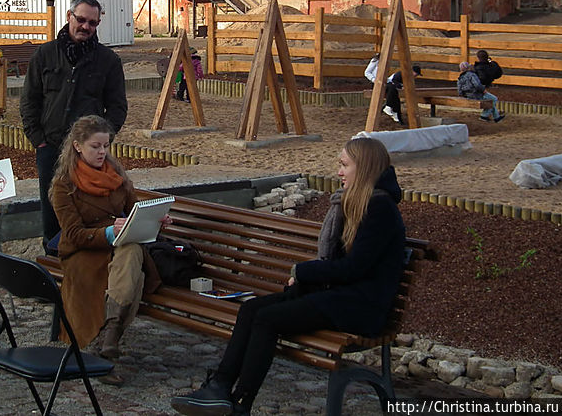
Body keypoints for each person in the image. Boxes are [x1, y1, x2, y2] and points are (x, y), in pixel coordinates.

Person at [171, 137, 405, 416]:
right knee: (250, 309)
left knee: (268, 320)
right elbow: (343, 268)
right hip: (340, 297)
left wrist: (303, 271)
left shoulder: (380, 208)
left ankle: (241, 404)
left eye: (344, 165)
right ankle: (219, 388)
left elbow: (354, 269)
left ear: (364, 168)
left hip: (361, 307)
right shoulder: (358, 202)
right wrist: (305, 280)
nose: (339, 172)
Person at [49, 115, 155, 386]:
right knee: (131, 272)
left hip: (119, 246)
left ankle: (109, 333)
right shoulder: (64, 185)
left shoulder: (115, 174)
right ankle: (109, 338)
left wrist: (154, 219)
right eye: (95, 146)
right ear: (77, 146)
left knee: (132, 251)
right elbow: (73, 234)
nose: (102, 152)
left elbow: (134, 209)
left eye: (106, 146)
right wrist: (109, 232)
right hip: (84, 249)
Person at [20, 0, 128, 254]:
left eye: (92, 23)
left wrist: (99, 143)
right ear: (69, 17)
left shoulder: (108, 61)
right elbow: (29, 101)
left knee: (87, 207)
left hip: (88, 154)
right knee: (52, 208)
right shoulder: (44, 55)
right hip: (51, 146)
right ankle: (53, 260)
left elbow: (117, 107)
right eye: (81, 20)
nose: (86, 27)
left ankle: (82, 261)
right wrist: (38, 139)